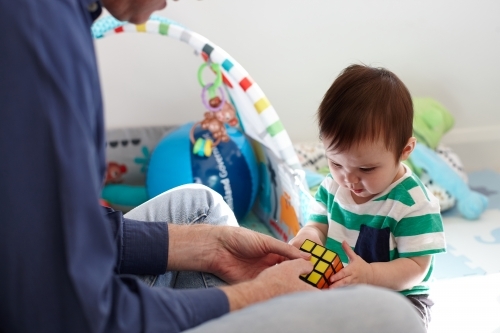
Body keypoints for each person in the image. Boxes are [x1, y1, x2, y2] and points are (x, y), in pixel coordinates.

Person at [0, 0, 427, 332]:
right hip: (84, 315)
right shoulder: (40, 40)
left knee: (200, 207)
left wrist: (211, 247)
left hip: (72, 299)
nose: (169, 3)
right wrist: (256, 296)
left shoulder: (57, 21)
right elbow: (75, 314)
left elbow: (64, 234)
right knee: (390, 319)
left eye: (365, 170)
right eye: (337, 165)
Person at [289, 64, 447, 329]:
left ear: (404, 149)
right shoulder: (333, 186)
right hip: (338, 287)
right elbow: (318, 225)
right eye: (336, 164)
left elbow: (416, 267)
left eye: (366, 169)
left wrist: (370, 274)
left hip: (399, 297)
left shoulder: (413, 204)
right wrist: (308, 237)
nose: (349, 179)